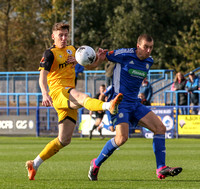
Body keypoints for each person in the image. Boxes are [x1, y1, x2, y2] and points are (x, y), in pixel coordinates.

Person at [25, 22, 123, 180]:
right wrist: (45, 94)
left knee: (63, 140)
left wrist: (98, 58)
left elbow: (89, 65)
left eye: (65, 35)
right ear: (53, 36)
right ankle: (108, 105)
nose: (63, 38)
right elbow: (42, 76)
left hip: (68, 96)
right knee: (83, 98)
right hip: (59, 93)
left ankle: (34, 164)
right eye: (60, 35)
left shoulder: (72, 50)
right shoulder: (50, 53)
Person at [88, 34, 182, 181]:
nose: (149, 50)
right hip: (119, 104)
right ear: (138, 46)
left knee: (160, 129)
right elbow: (103, 56)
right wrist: (99, 55)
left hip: (135, 104)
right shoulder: (124, 54)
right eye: (146, 47)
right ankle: (96, 163)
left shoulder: (149, 62)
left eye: (151, 47)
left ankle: (161, 168)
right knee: (121, 138)